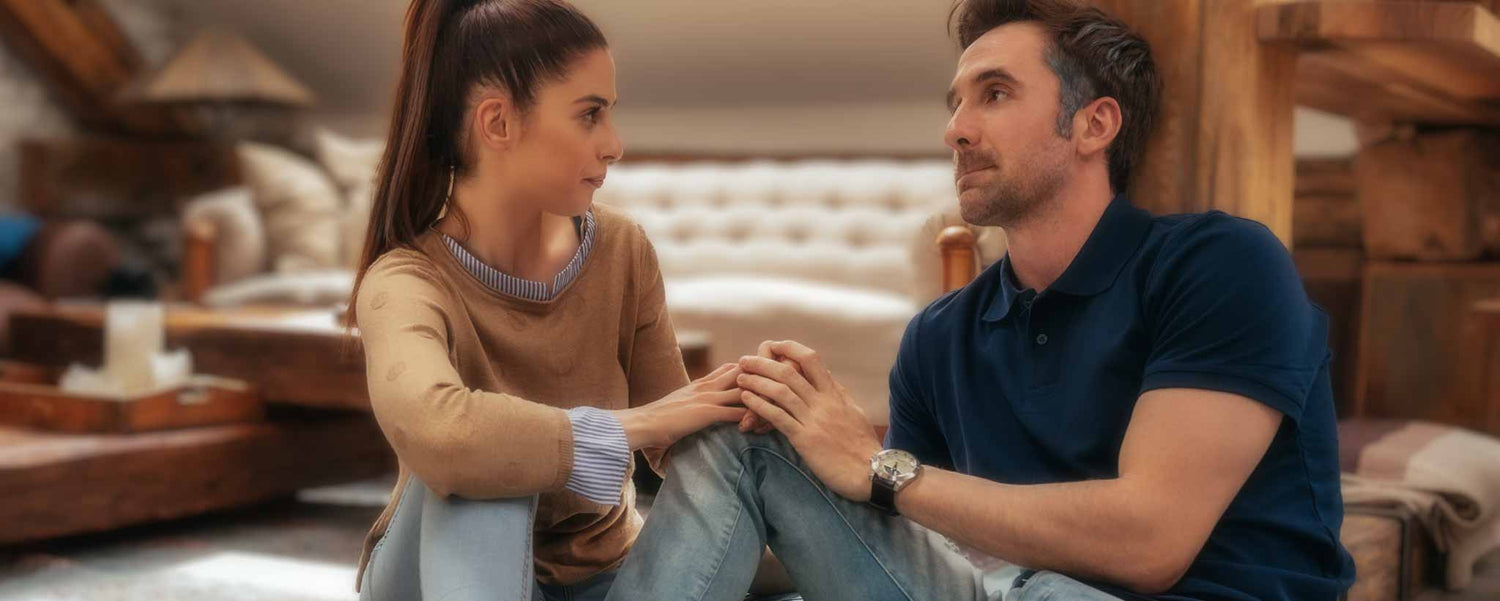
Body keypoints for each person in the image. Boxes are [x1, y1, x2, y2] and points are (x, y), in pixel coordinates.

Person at [604, 1, 1356, 600]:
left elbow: (1152, 542)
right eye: (957, 102)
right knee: (750, 429)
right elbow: (915, 539)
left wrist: (878, 467)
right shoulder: (941, 335)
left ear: (1095, 124)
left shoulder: (1218, 264)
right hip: (991, 588)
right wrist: (782, 481)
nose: (955, 129)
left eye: (995, 94)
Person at [346, 1, 750, 600]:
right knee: (488, 473)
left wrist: (751, 411)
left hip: (605, 573)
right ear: (498, 124)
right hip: (431, 572)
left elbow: (676, 435)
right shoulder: (405, 279)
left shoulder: (622, 248)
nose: (614, 144)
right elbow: (442, 435)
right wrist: (633, 426)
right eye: (590, 115)